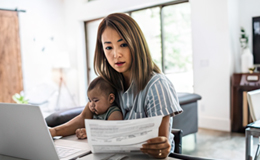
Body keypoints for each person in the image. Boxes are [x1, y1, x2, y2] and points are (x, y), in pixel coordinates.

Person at [51, 13, 183, 159]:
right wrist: (53, 132)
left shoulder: (157, 86)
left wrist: (162, 147)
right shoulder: (107, 83)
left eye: (123, 45)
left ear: (136, 44)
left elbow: (160, 143)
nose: (116, 54)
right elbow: (84, 117)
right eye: (108, 47)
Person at [49, 76, 123, 139]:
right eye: (89, 100)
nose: (91, 104)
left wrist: (90, 132)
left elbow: (111, 130)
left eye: (96, 100)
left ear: (111, 98)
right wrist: (55, 131)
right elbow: (81, 119)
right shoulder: (92, 107)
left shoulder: (114, 112)